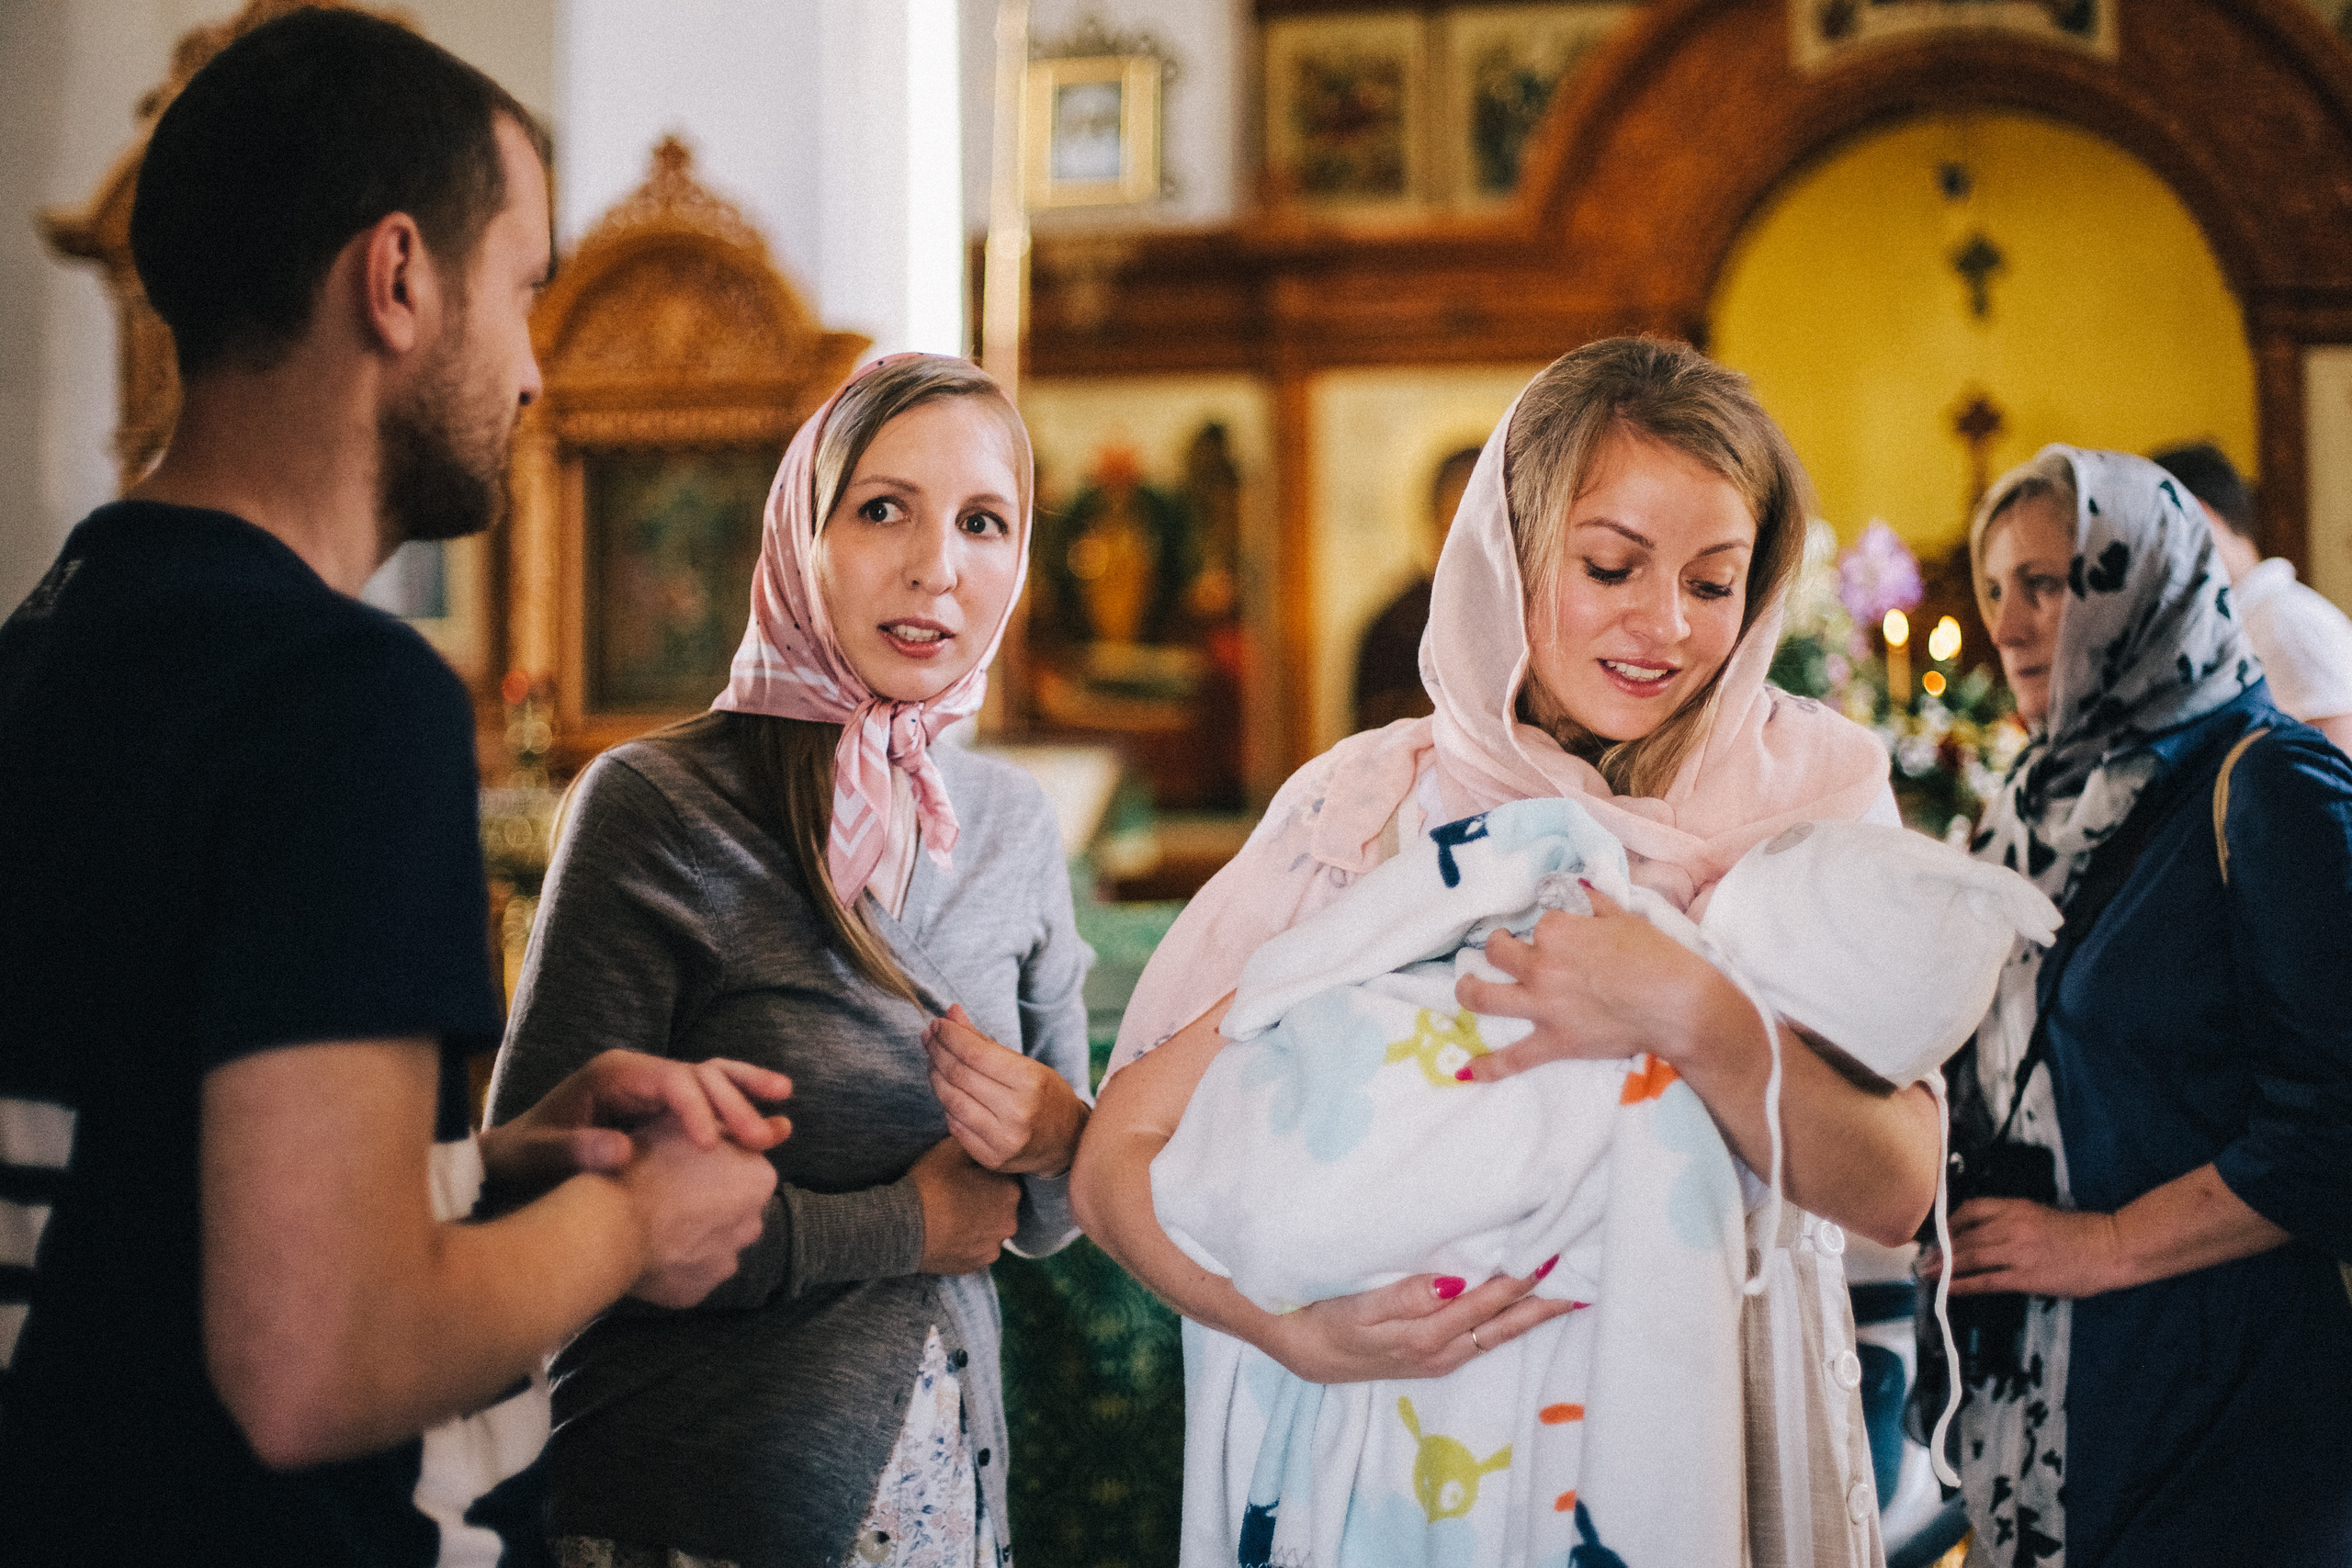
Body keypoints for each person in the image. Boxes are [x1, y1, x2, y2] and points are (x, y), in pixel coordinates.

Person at [0, 11, 789, 1565]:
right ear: (401, 278)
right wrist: (635, 1217)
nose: (535, 370)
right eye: (526, 288)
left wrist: (484, 1163)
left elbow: (120, 1187)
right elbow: (319, 1356)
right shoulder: (337, 696)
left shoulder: (47, 640)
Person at [1073, 337, 1943, 1568]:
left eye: (1713, 582)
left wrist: (1697, 1014)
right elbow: (1118, 1157)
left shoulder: (1812, 809)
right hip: (1387, 1464)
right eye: (1610, 567)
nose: (1664, 624)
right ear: (1509, 550)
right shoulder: (1373, 806)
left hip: (1692, 1435)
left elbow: (1900, 1185)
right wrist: (1284, 1330)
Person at [486, 354, 1093, 1568]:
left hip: (945, 1499)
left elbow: (1045, 1217)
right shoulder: (657, 806)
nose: (937, 567)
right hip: (687, 1508)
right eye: (883, 509)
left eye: (983, 522)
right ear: (797, 535)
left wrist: (1055, 1133)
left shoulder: (1012, 823)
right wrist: (903, 1223)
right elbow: (543, 1198)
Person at [1926, 446, 2352, 1565]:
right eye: (1996, 588)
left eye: (2048, 585)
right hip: (2056, 1388)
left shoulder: (2268, 783)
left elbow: (2337, 1129)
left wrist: (2101, 1244)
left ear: (2147, 583)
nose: (2007, 626)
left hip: (2219, 1392)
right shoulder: (2030, 807)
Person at [2149, 441, 2352, 753]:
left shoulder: (2285, 621)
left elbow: (2338, 771)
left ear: (2196, 516)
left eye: (2150, 536)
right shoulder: (2243, 622)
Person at [1353, 446, 1483, 732]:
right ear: (1433, 526)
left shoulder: (1530, 622)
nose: (1470, 548)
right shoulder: (1392, 632)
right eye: (1453, 529)